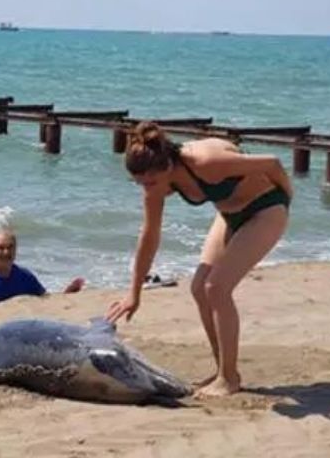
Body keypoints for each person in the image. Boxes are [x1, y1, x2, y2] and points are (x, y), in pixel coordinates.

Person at [105, 122, 291, 398]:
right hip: (230, 215)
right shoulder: (153, 184)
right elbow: (150, 235)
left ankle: (228, 379)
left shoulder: (207, 162)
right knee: (199, 288)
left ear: (167, 167)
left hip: (266, 208)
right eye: (140, 183)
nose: (147, 188)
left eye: (151, 181)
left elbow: (272, 164)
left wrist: (287, 196)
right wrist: (134, 293)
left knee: (217, 287)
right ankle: (225, 372)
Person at [0, 229, 85, 306]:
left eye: (10, 247)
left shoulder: (24, 276)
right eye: (1, 248)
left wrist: (67, 294)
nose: (6, 252)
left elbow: (47, 300)